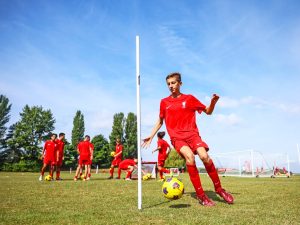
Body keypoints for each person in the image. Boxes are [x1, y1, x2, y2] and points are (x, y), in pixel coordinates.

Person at [142, 72, 234, 206]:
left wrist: (213, 101)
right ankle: (201, 196)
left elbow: (208, 112)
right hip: (177, 137)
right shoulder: (164, 102)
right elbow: (160, 121)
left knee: (204, 157)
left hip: (192, 134)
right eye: (168, 84)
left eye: (173, 83)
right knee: (190, 157)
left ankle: (219, 190)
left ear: (180, 83)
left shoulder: (189, 99)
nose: (170, 86)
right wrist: (151, 135)